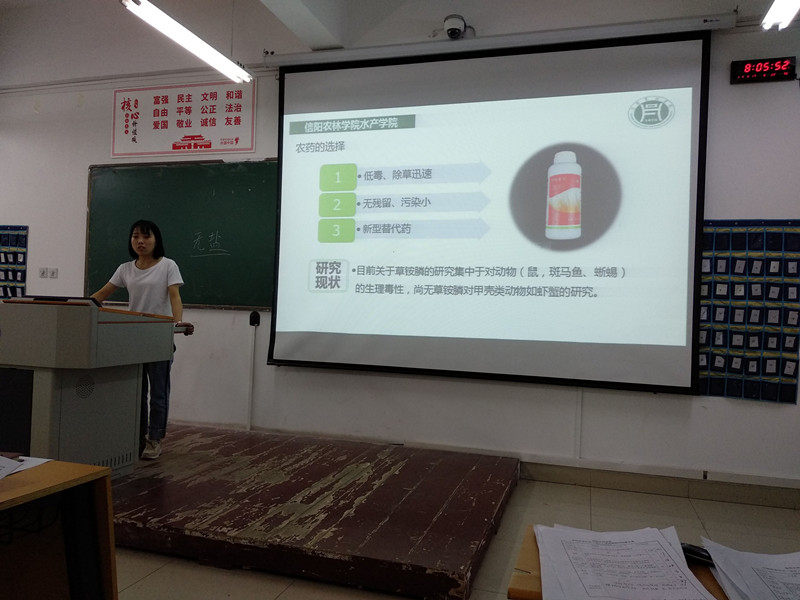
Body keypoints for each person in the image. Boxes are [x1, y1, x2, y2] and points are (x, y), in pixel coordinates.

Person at [91, 220, 194, 460]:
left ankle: (154, 438)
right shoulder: (125, 269)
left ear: (156, 240)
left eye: (146, 237)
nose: (140, 241)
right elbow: (102, 294)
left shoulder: (168, 265)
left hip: (158, 337)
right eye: (135, 236)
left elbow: (175, 297)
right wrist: (79, 306)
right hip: (133, 338)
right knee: (136, 393)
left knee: (158, 393)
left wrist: (177, 322)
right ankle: (135, 438)